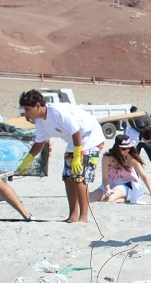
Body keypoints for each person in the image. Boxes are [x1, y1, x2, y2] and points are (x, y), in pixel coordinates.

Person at [18, 89, 105, 223]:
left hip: (90, 138)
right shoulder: (40, 121)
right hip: (73, 142)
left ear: (37, 105)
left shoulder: (57, 113)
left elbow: (77, 132)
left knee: (79, 177)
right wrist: (25, 162)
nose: (26, 113)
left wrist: (77, 157)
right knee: (68, 178)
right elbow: (38, 144)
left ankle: (84, 217)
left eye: (27, 109)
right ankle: (73, 216)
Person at [89, 135, 151, 204]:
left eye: (129, 147)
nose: (127, 150)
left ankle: (127, 199)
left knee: (108, 199)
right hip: (109, 183)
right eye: (124, 148)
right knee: (91, 198)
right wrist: (108, 189)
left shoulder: (131, 159)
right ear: (117, 148)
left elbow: (143, 175)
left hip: (125, 184)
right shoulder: (107, 158)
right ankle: (124, 198)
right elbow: (105, 178)